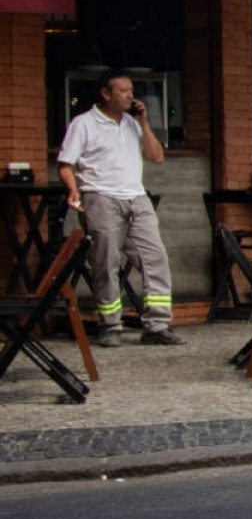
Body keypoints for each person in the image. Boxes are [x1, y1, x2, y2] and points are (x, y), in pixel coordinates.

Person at [56, 70, 186, 347]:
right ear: (105, 93)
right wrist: (73, 191)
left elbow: (157, 157)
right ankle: (110, 324)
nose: (130, 95)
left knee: (155, 258)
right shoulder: (84, 124)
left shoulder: (132, 123)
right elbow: (66, 164)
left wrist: (145, 122)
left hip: (137, 197)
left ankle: (156, 324)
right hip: (100, 197)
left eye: (131, 90)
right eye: (123, 91)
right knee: (105, 262)